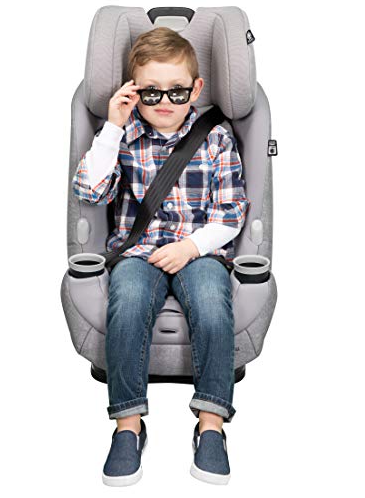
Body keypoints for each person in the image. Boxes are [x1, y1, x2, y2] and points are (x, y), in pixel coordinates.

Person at [72, 27, 250, 486]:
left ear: (197, 89)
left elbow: (231, 212)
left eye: (177, 91)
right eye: (151, 92)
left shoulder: (217, 138)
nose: (164, 102)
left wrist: (190, 247)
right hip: (138, 252)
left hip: (200, 251)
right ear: (134, 91)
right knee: (129, 302)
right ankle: (127, 426)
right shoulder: (124, 135)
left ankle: (211, 425)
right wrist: (113, 125)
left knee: (211, 304)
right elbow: (89, 191)